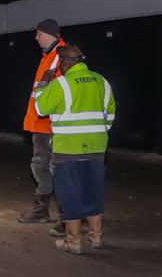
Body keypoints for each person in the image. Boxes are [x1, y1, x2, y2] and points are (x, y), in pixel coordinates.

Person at [34, 44, 115, 254]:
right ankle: (96, 238)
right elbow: (110, 113)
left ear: (65, 63)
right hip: (97, 148)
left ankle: (73, 242)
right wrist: (96, 132)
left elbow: (41, 108)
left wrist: (42, 84)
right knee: (93, 192)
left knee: (70, 194)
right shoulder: (101, 81)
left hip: (67, 150)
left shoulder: (61, 83)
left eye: (61, 63)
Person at [18, 19, 66, 236]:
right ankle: (42, 211)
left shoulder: (62, 55)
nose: (36, 38)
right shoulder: (49, 56)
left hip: (52, 125)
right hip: (42, 124)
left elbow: (60, 91)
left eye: (38, 34)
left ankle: (67, 218)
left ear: (48, 33)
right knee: (41, 166)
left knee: (58, 169)